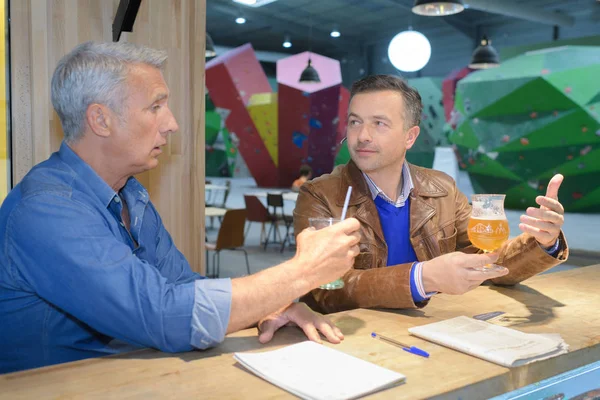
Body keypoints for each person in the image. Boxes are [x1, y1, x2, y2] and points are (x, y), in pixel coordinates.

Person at [0, 41, 362, 373]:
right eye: (155, 107)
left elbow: (184, 286)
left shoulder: (131, 194)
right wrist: (301, 273)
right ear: (100, 120)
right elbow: (164, 314)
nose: (171, 124)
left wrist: (274, 304)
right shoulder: (47, 210)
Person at [294, 74, 568, 314]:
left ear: (410, 137)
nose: (362, 135)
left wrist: (543, 242)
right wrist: (422, 279)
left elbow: (488, 260)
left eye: (379, 123)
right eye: (355, 122)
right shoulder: (320, 195)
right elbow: (324, 290)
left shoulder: (442, 188)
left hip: (433, 332)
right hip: (353, 341)